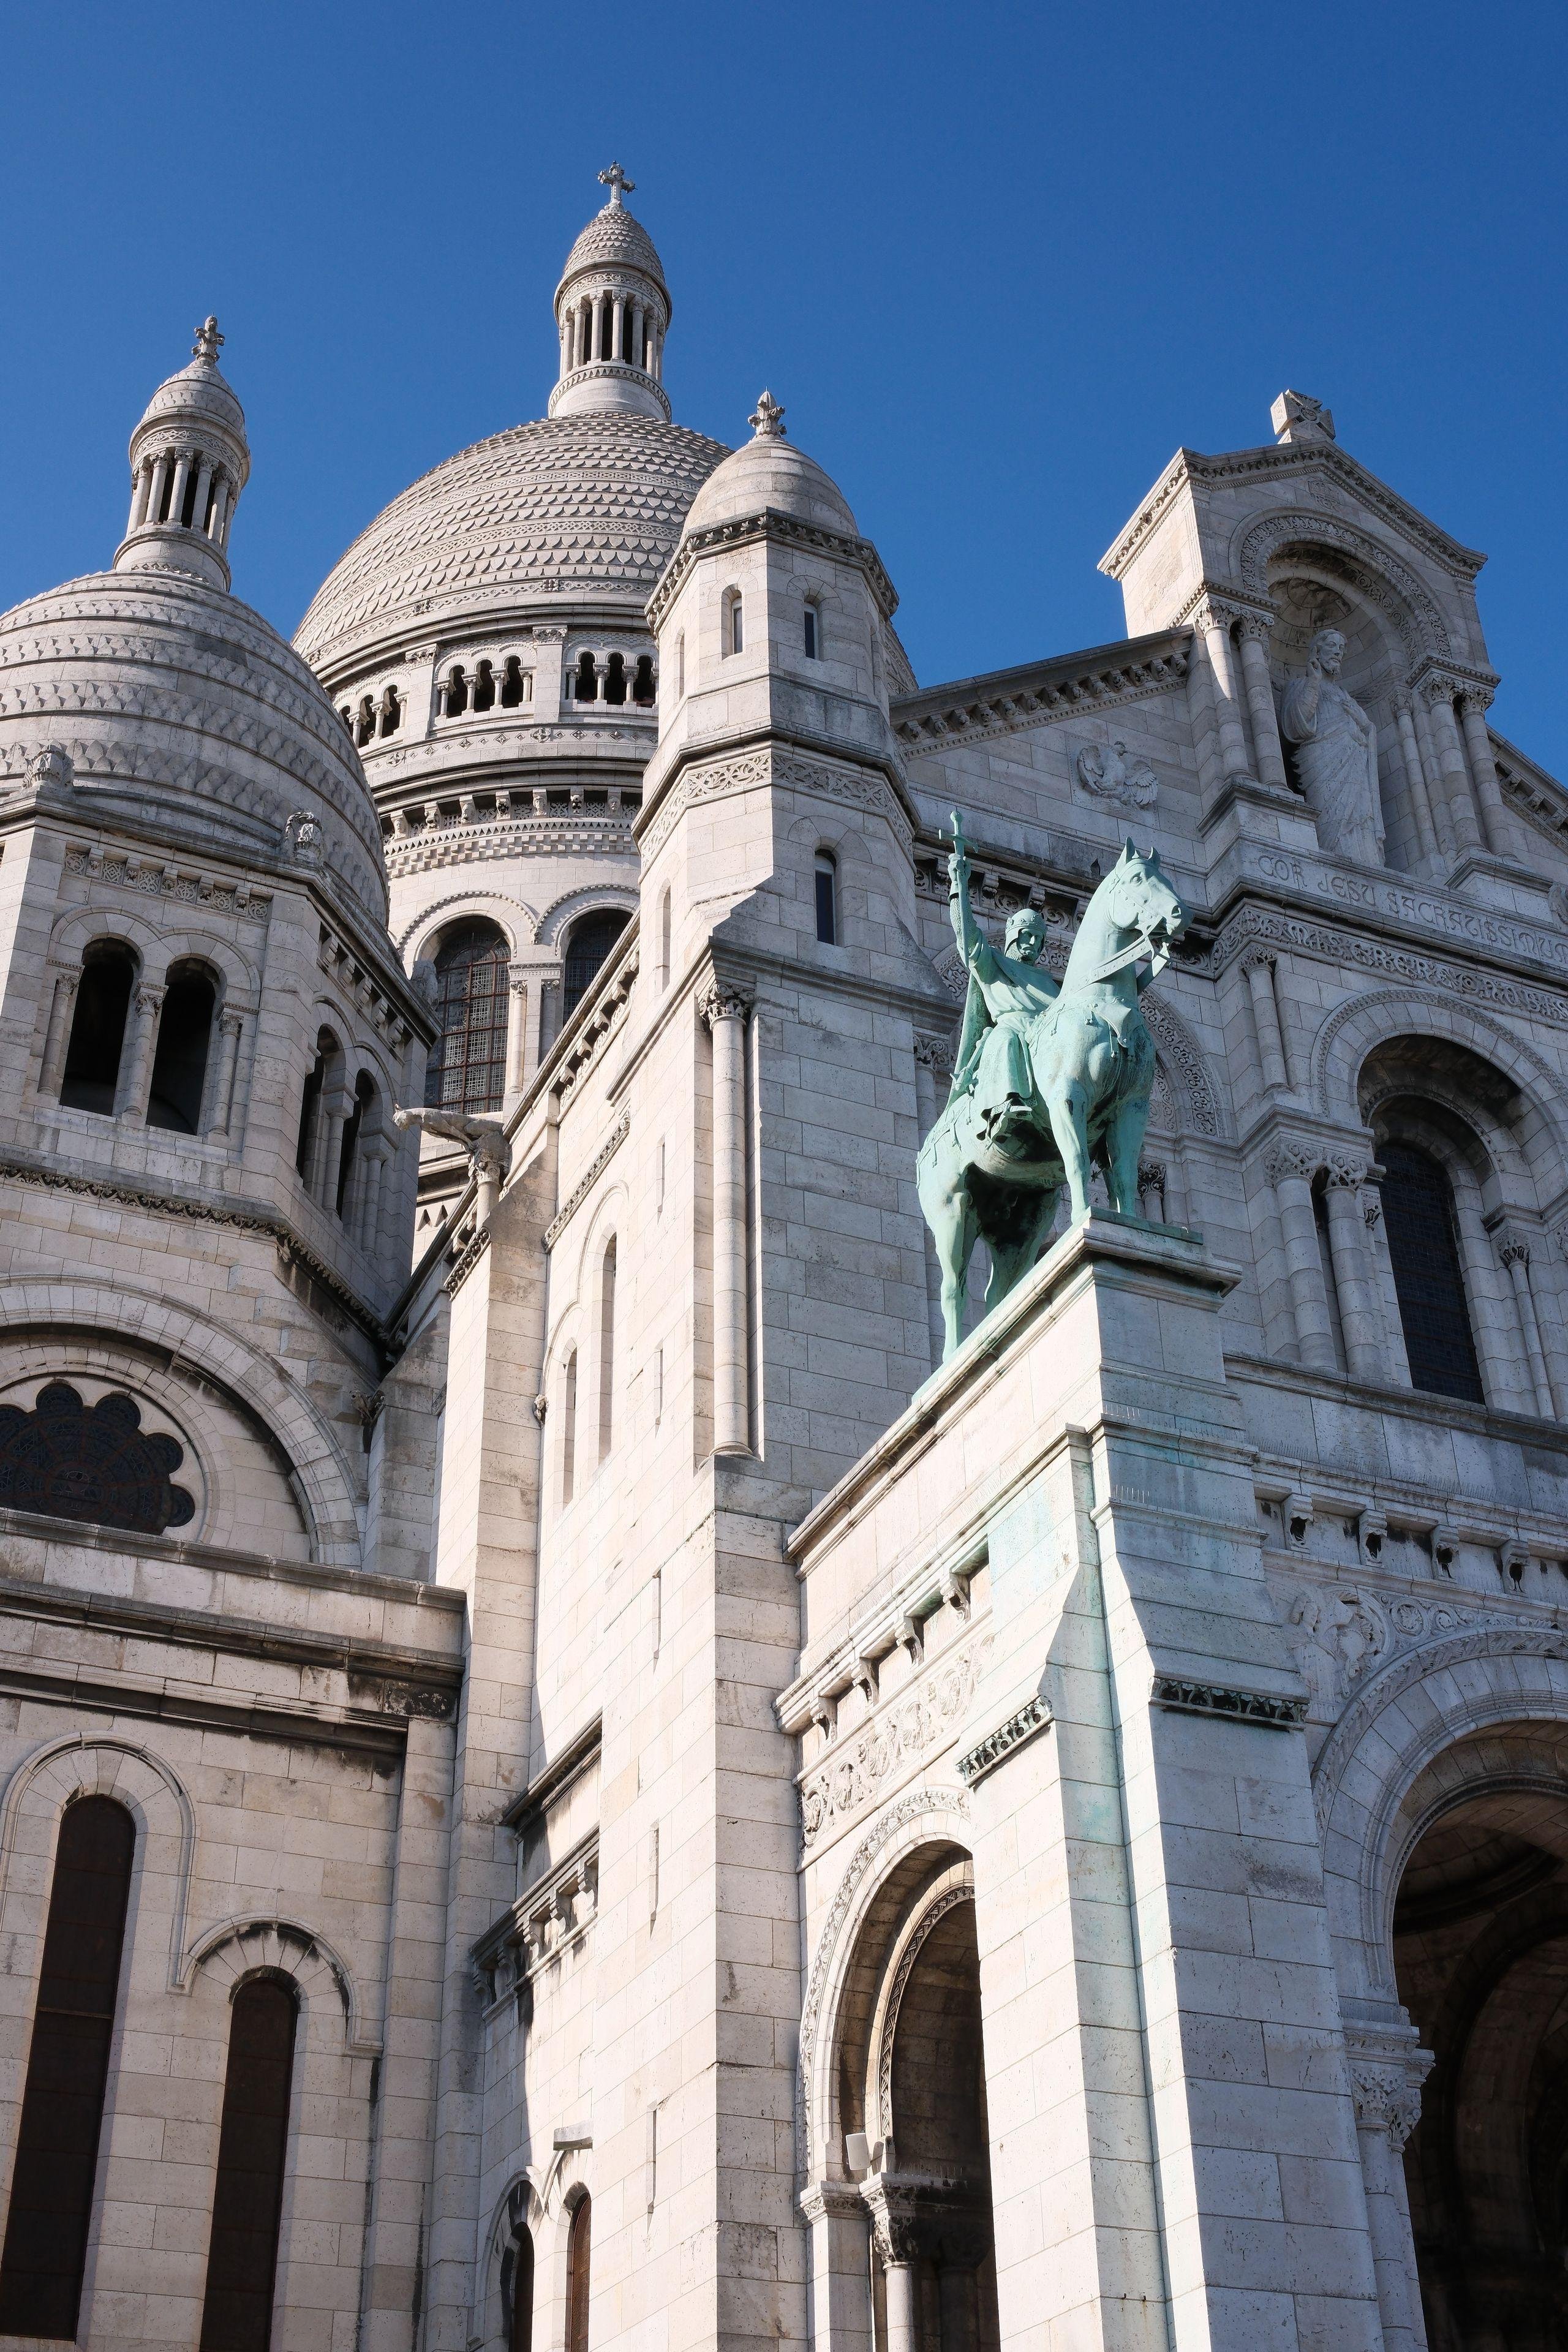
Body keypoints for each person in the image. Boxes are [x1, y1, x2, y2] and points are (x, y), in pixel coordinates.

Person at [945, 812, 1060, 1147]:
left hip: (1045, 1035)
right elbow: (967, 939)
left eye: (1038, 940)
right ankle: (1006, 1107)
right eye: (1026, 937)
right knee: (1006, 1037)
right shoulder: (992, 963)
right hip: (1013, 1030)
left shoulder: (1049, 981)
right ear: (1012, 937)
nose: (1031, 945)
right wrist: (958, 886)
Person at [1280, 627, 1384, 864]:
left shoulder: (1346, 696)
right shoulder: (1299, 685)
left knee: (1357, 814)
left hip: (1355, 764)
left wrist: (1362, 725)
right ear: (1317, 650)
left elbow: (1368, 730)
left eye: (1341, 648)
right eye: (1332, 646)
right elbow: (1297, 726)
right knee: (1330, 815)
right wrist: (1314, 684)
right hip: (1320, 759)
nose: (1338, 652)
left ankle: (1365, 861)